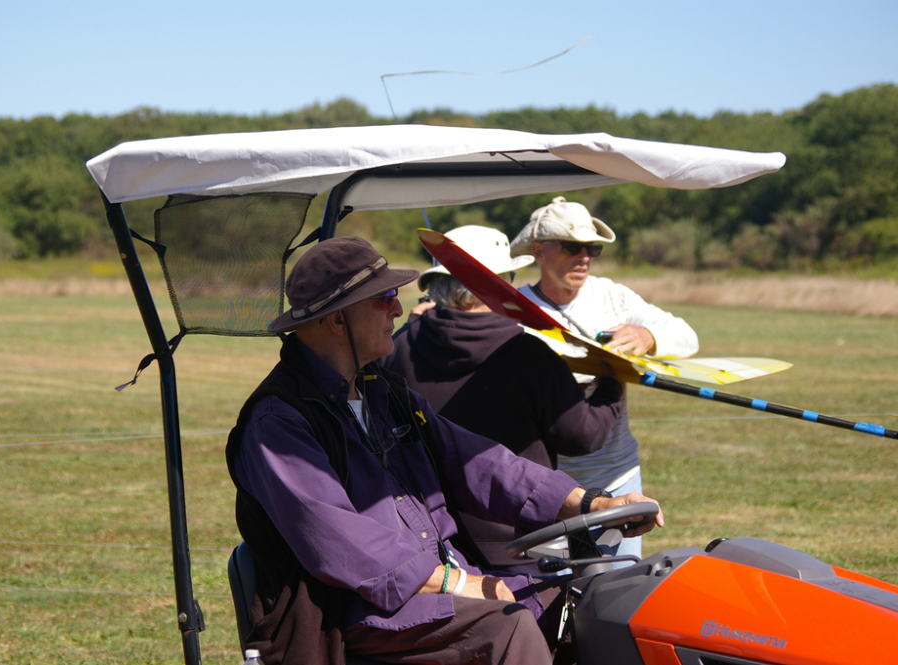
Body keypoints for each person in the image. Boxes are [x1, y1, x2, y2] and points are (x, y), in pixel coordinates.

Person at [226, 236, 663, 665]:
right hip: (351, 613)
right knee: (506, 624)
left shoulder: (384, 392)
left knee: (586, 602)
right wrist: (455, 581)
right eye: (384, 298)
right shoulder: (279, 423)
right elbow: (339, 544)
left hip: (431, 584)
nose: (398, 308)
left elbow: (481, 464)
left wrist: (590, 503)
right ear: (338, 321)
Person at [383, 225, 625, 573]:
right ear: (497, 286)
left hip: (428, 543)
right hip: (521, 546)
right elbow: (582, 436)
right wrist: (613, 384)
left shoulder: (399, 344)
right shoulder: (529, 354)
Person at [509, 196, 697, 561]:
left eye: (591, 248)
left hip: (618, 474)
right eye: (571, 246)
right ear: (539, 251)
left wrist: (649, 337)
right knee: (552, 593)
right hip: (547, 481)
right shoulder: (515, 307)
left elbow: (686, 335)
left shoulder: (611, 294)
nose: (584, 258)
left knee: (615, 588)